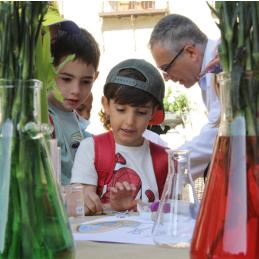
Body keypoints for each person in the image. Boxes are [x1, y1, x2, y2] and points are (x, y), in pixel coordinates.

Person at [71, 58, 169, 214]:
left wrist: (135, 206)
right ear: (106, 105)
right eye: (121, 110)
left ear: (153, 112)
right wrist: (113, 207)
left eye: (141, 112)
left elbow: (172, 210)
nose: (130, 121)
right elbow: (84, 206)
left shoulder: (164, 158)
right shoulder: (91, 149)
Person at [149, 14, 221, 180]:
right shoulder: (207, 75)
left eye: (167, 68)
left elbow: (218, 134)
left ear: (191, 52)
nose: (167, 78)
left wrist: (168, 167)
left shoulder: (223, 64)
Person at [48, 25, 100, 185]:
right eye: (66, 79)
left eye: (86, 81)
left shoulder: (73, 118)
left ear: (95, 77)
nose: (76, 90)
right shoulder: (43, 118)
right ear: (47, 70)